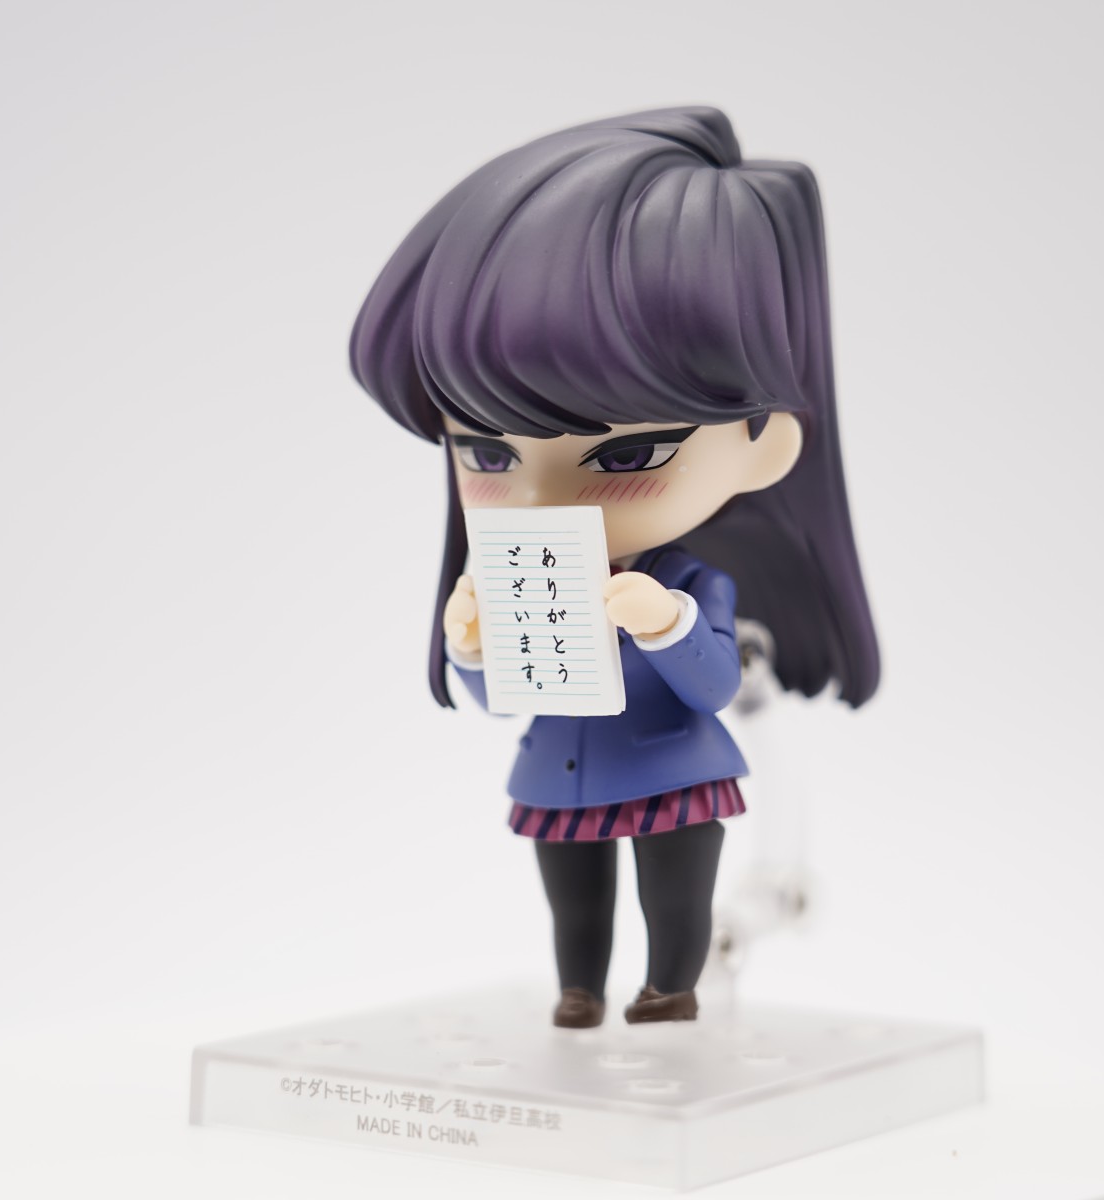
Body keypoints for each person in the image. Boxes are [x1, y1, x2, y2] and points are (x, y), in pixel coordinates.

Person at [350, 106, 880, 1027]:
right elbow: (509, 696)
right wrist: (472, 648)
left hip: (672, 770)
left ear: (763, 446)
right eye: (487, 453)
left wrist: (666, 622)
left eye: (627, 456)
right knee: (576, 905)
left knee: (672, 899)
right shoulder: (521, 571)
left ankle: (671, 986)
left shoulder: (692, 585)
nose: (541, 501)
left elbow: (714, 685)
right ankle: (579, 991)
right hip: (561, 768)